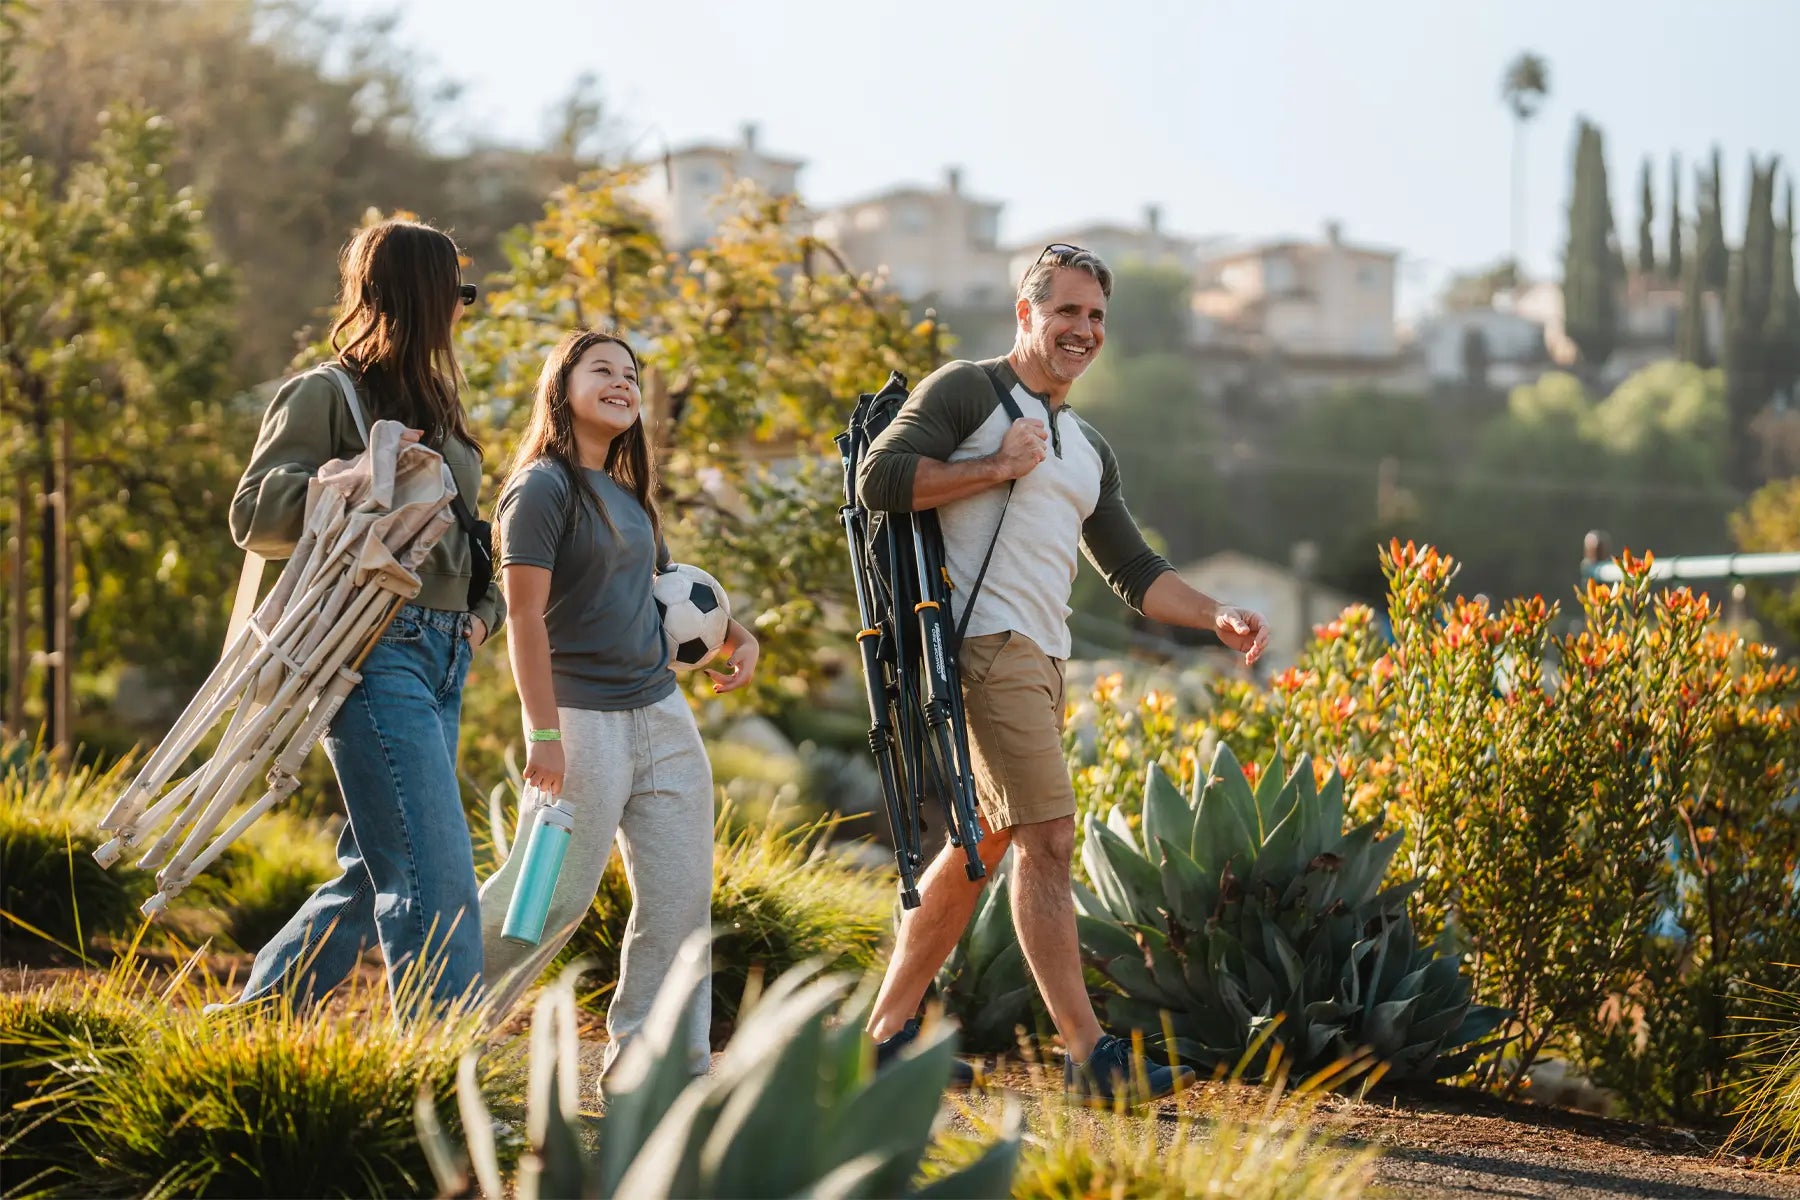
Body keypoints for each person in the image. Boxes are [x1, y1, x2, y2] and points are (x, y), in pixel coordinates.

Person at [855, 245, 1271, 1101]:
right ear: (1026, 313)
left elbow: (1133, 568)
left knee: (984, 848)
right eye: (1068, 313)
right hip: (983, 645)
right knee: (1047, 838)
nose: (1084, 331)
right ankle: (1088, 1056)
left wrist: (1214, 614)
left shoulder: (1086, 445)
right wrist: (993, 468)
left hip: (1046, 656)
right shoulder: (969, 390)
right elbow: (879, 479)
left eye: (1096, 318)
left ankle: (884, 1036)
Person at [227, 219, 502, 1012]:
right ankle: (442, 1068)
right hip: (372, 650)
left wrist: (482, 613)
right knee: (433, 870)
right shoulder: (327, 393)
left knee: (375, 862)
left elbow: (464, 537)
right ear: (420, 296)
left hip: (446, 649)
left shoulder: (439, 407)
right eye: (458, 295)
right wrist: (366, 471)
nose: (462, 311)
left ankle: (262, 1016)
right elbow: (256, 515)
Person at [478, 329, 759, 1078]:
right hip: (579, 722)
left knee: (678, 903)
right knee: (545, 899)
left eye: (631, 374)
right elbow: (522, 618)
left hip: (663, 718)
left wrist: (738, 634)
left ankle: (660, 1071)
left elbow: (663, 590)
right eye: (602, 369)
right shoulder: (542, 487)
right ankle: (438, 1018)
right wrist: (544, 734)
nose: (622, 382)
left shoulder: (630, 496)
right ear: (560, 387)